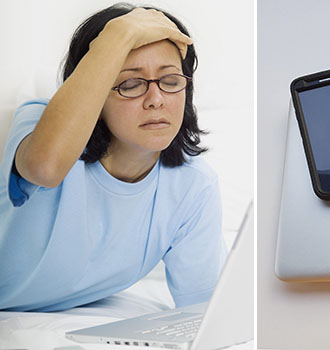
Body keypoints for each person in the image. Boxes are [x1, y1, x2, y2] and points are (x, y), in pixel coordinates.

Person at [0, 4, 226, 312]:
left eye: (171, 81)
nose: (156, 100)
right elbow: (45, 168)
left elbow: (206, 309)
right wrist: (119, 34)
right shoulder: (41, 123)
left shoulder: (194, 185)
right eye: (131, 84)